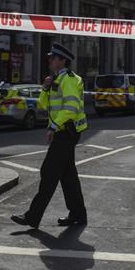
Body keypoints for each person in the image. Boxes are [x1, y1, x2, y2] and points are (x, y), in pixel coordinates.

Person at [12, 43, 89, 229]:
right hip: (64, 132)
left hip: (66, 132)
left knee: (48, 172)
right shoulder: (56, 79)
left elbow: (70, 110)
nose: (50, 60)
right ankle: (78, 214)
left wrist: (53, 127)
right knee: (68, 175)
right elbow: (43, 105)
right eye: (50, 57)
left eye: (54, 57)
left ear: (62, 61)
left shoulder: (69, 79)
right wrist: (45, 88)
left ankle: (33, 216)